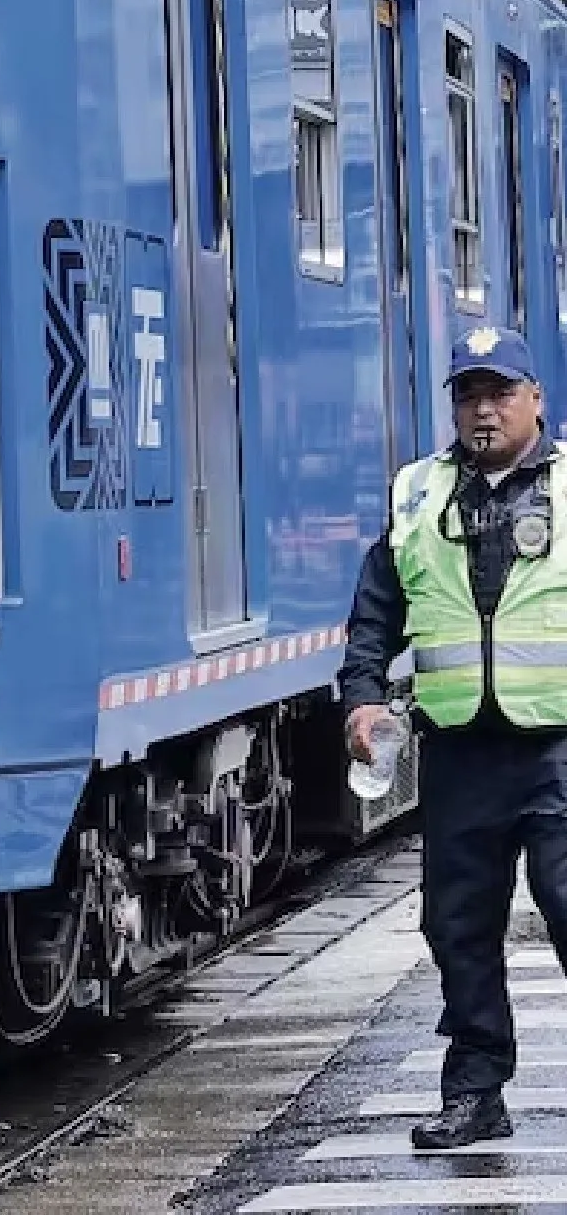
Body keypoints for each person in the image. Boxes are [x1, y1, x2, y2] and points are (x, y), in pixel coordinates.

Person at [337, 325, 567, 1150]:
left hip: (558, 747)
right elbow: (375, 614)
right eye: (469, 394)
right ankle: (475, 1093)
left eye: (500, 392)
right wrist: (363, 700)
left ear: (536, 399)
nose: (483, 410)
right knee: (457, 925)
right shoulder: (417, 496)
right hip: (461, 750)